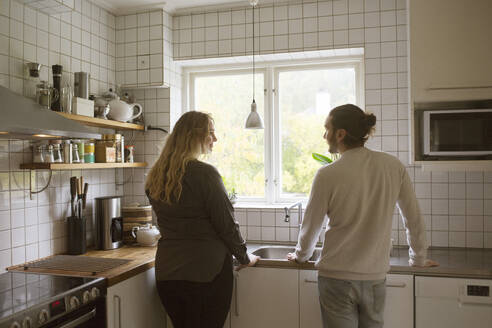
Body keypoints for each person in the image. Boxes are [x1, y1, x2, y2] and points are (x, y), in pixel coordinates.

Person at [287, 104, 438, 328]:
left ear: (340, 134)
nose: (324, 135)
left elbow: (311, 226)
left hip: (336, 278)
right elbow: (413, 217)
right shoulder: (392, 166)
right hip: (375, 276)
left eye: (327, 129)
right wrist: (418, 258)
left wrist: (301, 256)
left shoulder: (327, 174)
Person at [145, 111, 259, 328]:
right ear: (194, 136)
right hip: (207, 273)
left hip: (168, 273)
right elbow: (225, 224)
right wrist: (244, 257)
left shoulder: (156, 174)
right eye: (211, 133)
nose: (214, 139)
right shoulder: (205, 173)